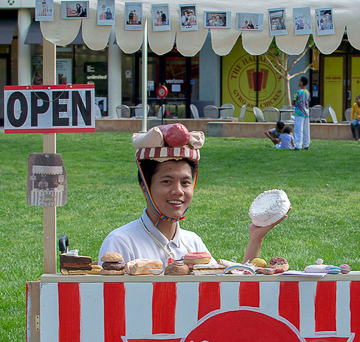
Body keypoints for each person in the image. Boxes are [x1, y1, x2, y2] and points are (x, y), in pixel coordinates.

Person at [98, 130, 283, 266]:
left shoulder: (193, 243)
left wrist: (255, 238)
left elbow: (229, 290)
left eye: (185, 183)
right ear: (144, 187)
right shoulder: (121, 242)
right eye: (166, 182)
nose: (178, 191)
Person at [292, 76, 310, 150]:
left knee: (298, 130)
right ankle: (306, 145)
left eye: (299, 81)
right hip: (306, 113)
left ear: (302, 82)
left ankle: (298, 145)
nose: (298, 82)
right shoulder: (308, 92)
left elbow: (293, 102)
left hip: (299, 113)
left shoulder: (297, 92)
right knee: (306, 130)